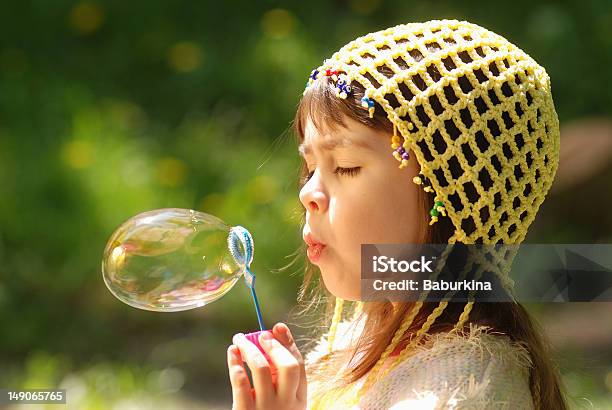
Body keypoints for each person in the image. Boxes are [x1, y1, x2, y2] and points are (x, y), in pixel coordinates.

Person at [226, 19, 569, 409]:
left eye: (346, 166)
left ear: (452, 194)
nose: (307, 193)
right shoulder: (357, 342)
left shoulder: (461, 390)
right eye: (309, 168)